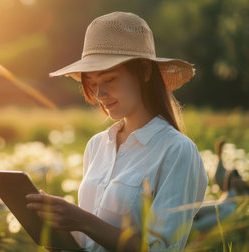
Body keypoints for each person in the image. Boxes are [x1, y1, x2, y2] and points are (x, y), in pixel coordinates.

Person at [26, 12, 208, 251]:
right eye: (92, 84)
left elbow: (161, 248)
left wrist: (82, 220)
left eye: (109, 79)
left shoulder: (176, 150)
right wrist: (59, 232)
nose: (100, 95)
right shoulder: (97, 145)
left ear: (144, 71)